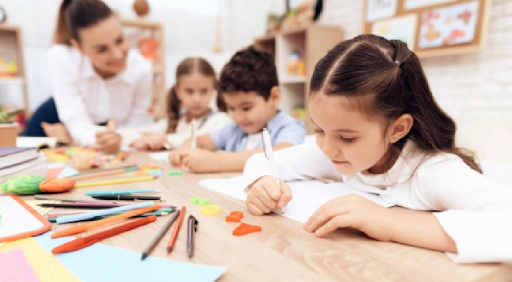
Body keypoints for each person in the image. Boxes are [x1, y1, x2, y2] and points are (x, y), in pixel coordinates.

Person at [242, 34, 511, 263]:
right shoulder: (334, 152)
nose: (326, 148)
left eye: (347, 138)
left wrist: (389, 223)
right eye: (320, 129)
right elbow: (263, 160)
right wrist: (262, 182)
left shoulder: (431, 171)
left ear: (397, 129)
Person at [24, 0, 152, 153]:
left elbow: (134, 125)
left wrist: (117, 137)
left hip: (95, 133)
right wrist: (107, 137)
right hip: (54, 123)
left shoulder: (142, 69)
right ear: (79, 48)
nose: (117, 55)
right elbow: (77, 122)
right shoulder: (62, 56)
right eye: (101, 49)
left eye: (120, 40)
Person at [168, 46, 306, 173]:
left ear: (274, 97)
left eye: (246, 108)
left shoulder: (289, 128)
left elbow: (281, 154)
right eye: (231, 108)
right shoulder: (235, 130)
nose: (238, 117)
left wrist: (216, 162)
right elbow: (201, 141)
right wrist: (184, 149)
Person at [128, 57, 231, 150]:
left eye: (204, 91)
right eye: (189, 91)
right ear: (178, 91)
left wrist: (161, 139)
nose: (197, 99)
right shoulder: (175, 122)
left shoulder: (221, 120)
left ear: (213, 90)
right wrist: (137, 140)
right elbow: (127, 133)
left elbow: (199, 140)